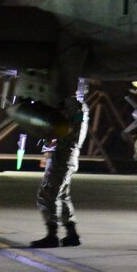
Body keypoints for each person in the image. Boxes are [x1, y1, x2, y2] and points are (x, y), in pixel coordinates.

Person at [30, 80, 91, 248]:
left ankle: (52, 235)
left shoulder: (72, 107)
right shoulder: (79, 108)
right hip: (67, 155)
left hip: (64, 155)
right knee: (62, 195)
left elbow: (59, 128)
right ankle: (72, 234)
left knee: (47, 194)